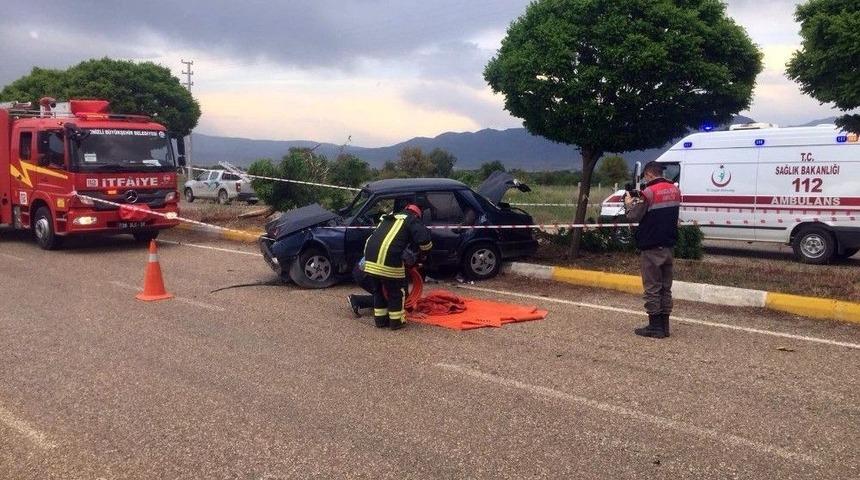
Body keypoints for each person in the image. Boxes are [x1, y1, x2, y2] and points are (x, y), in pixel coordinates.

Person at [624, 161, 681, 338]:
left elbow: (634, 215)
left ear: (648, 174)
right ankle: (665, 326)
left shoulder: (648, 192)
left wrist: (628, 203)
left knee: (652, 287)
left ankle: (654, 327)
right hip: (668, 245)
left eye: (645, 177)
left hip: (651, 246)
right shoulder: (675, 190)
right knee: (666, 287)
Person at [362, 204, 433, 330]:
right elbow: (424, 241)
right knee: (396, 291)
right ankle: (396, 321)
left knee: (378, 290)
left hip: (370, 259)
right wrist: (424, 255)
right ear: (417, 214)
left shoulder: (389, 218)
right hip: (388, 259)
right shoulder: (411, 219)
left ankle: (380, 320)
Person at [348, 248, 419, 317]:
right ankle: (357, 300)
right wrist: (411, 311)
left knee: (388, 296)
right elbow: (402, 292)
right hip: (365, 274)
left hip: (361, 270)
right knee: (391, 299)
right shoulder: (397, 263)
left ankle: (362, 301)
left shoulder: (395, 248)